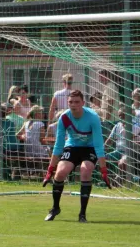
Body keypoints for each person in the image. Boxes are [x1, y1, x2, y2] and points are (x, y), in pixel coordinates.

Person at [42, 90, 110, 223]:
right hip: (72, 146)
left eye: (77, 102)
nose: (73, 105)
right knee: (60, 173)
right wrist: (50, 170)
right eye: (70, 102)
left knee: (85, 171)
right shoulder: (64, 117)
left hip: (89, 148)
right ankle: (55, 208)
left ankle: (82, 214)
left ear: (83, 103)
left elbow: (98, 144)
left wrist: (104, 171)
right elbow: (59, 144)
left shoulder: (93, 117)